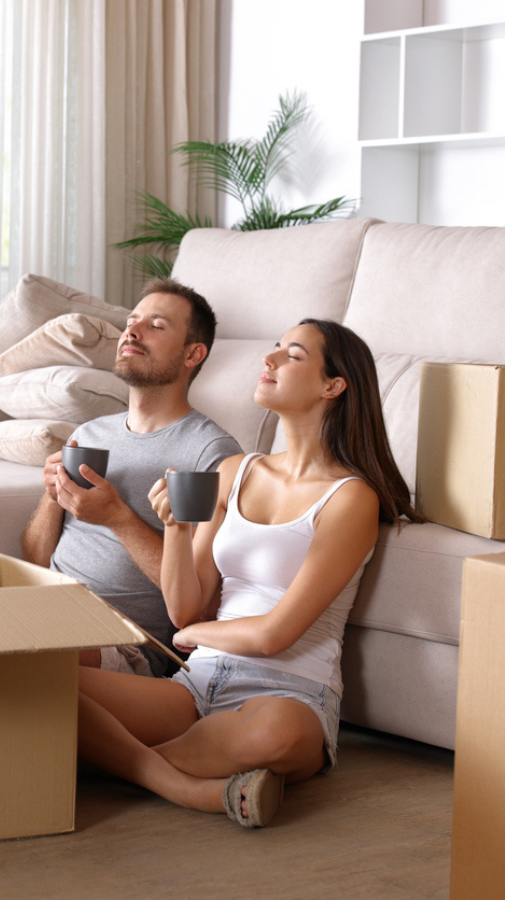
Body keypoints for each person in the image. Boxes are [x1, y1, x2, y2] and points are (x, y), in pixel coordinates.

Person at [77, 318, 423, 828]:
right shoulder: (234, 471)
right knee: (43, 685)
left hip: (290, 691)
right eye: (275, 347)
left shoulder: (350, 498)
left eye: (293, 355)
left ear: (333, 386)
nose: (270, 358)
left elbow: (273, 635)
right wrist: (176, 527)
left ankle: (113, 758)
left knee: (272, 736)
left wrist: (194, 635)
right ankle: (184, 785)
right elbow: (185, 608)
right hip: (198, 685)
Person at [21, 278, 242, 678]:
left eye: (156, 326)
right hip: (47, 611)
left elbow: (200, 604)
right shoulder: (88, 434)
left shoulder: (212, 454)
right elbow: (36, 560)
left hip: (127, 644)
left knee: (22, 647)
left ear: (193, 354)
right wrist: (53, 496)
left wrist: (117, 518)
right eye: (131, 322)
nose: (132, 332)